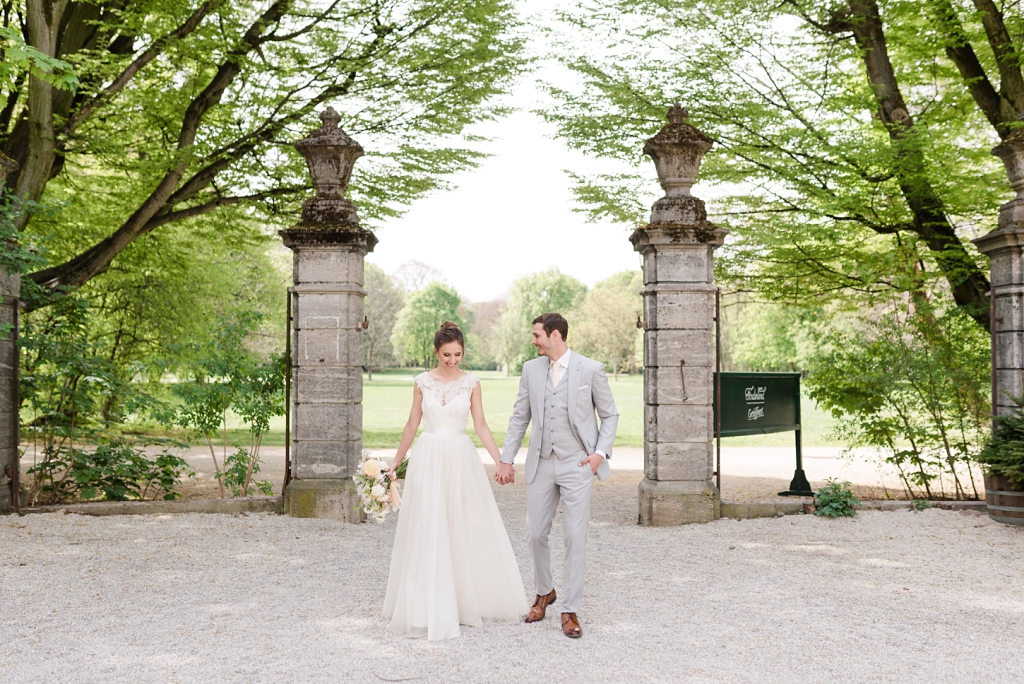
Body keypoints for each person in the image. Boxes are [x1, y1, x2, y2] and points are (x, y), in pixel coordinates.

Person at [382, 321, 527, 641]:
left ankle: (462, 601)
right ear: (436, 352)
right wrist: (395, 462)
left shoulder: (472, 383)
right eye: (446, 354)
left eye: (457, 354)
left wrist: (502, 459)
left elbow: (482, 425)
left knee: (461, 524)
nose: (452, 360)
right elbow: (411, 424)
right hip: (428, 456)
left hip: (460, 457)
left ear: (463, 352)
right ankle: (426, 604)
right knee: (428, 525)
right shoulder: (421, 382)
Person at [497, 312, 618, 639]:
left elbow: (610, 415)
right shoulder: (530, 370)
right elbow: (519, 417)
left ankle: (569, 608)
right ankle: (544, 591)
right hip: (541, 462)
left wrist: (598, 454)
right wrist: (506, 459)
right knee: (536, 533)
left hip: (578, 463)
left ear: (555, 335)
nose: (533, 340)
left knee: (574, 536)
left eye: (537, 335)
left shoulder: (590, 370)